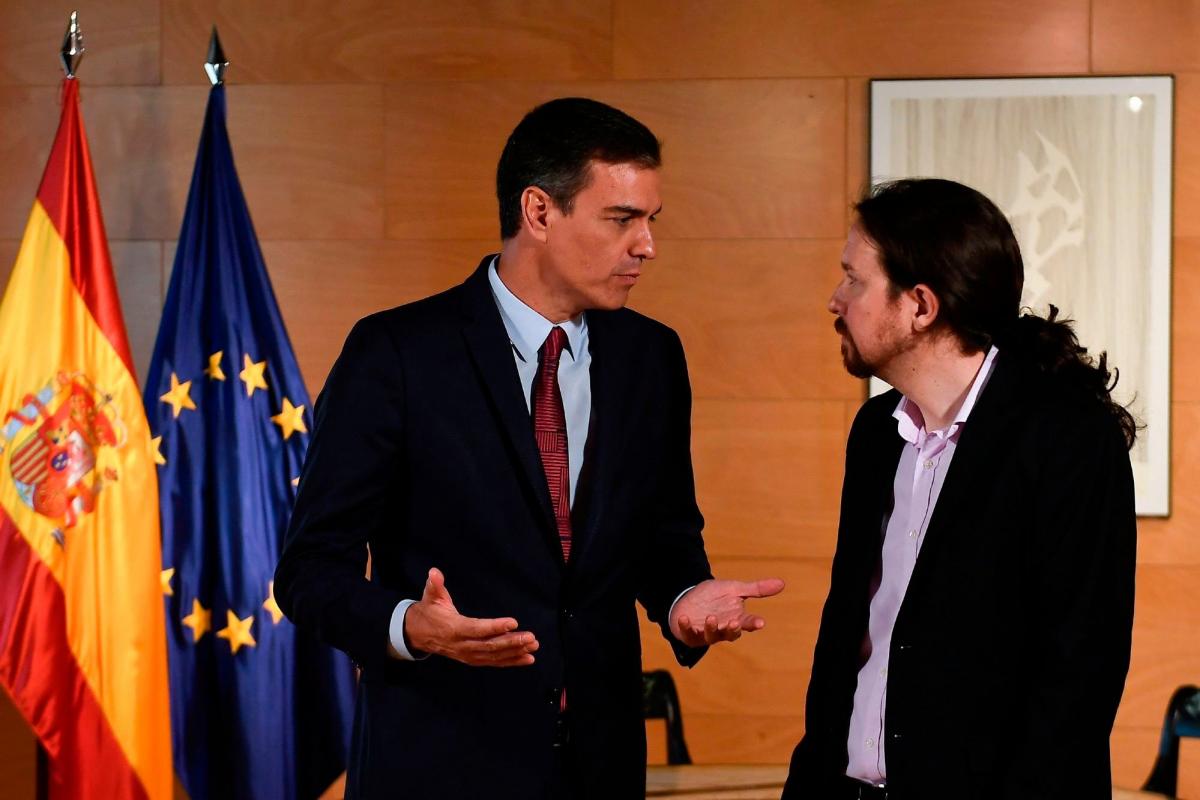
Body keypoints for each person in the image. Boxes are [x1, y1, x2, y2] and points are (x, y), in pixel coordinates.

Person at [274, 97, 784, 800]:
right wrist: (411, 626)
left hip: (599, 768)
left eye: (651, 220)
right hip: (439, 765)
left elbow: (664, 539)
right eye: (622, 219)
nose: (646, 246)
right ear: (539, 212)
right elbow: (308, 572)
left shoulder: (652, 357)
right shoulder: (396, 353)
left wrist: (683, 600)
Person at [783, 178, 1137, 800]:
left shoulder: (1067, 437)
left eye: (854, 280)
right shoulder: (875, 431)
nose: (835, 300)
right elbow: (847, 639)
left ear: (920, 306)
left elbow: (1078, 675)